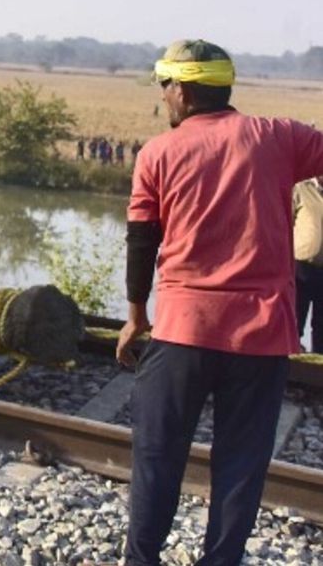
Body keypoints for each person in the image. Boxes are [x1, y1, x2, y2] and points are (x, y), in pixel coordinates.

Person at [117, 39, 323, 566]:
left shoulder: (158, 153)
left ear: (182, 91)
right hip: (262, 337)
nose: (164, 98)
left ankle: (141, 562)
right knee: (241, 464)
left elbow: (142, 239)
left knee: (158, 456)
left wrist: (137, 316)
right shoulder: (280, 137)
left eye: (165, 87)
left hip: (184, 331)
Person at [293, 178, 323, 354]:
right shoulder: (300, 189)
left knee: (321, 323)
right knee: (296, 316)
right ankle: (291, 366)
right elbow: (286, 224)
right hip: (301, 267)